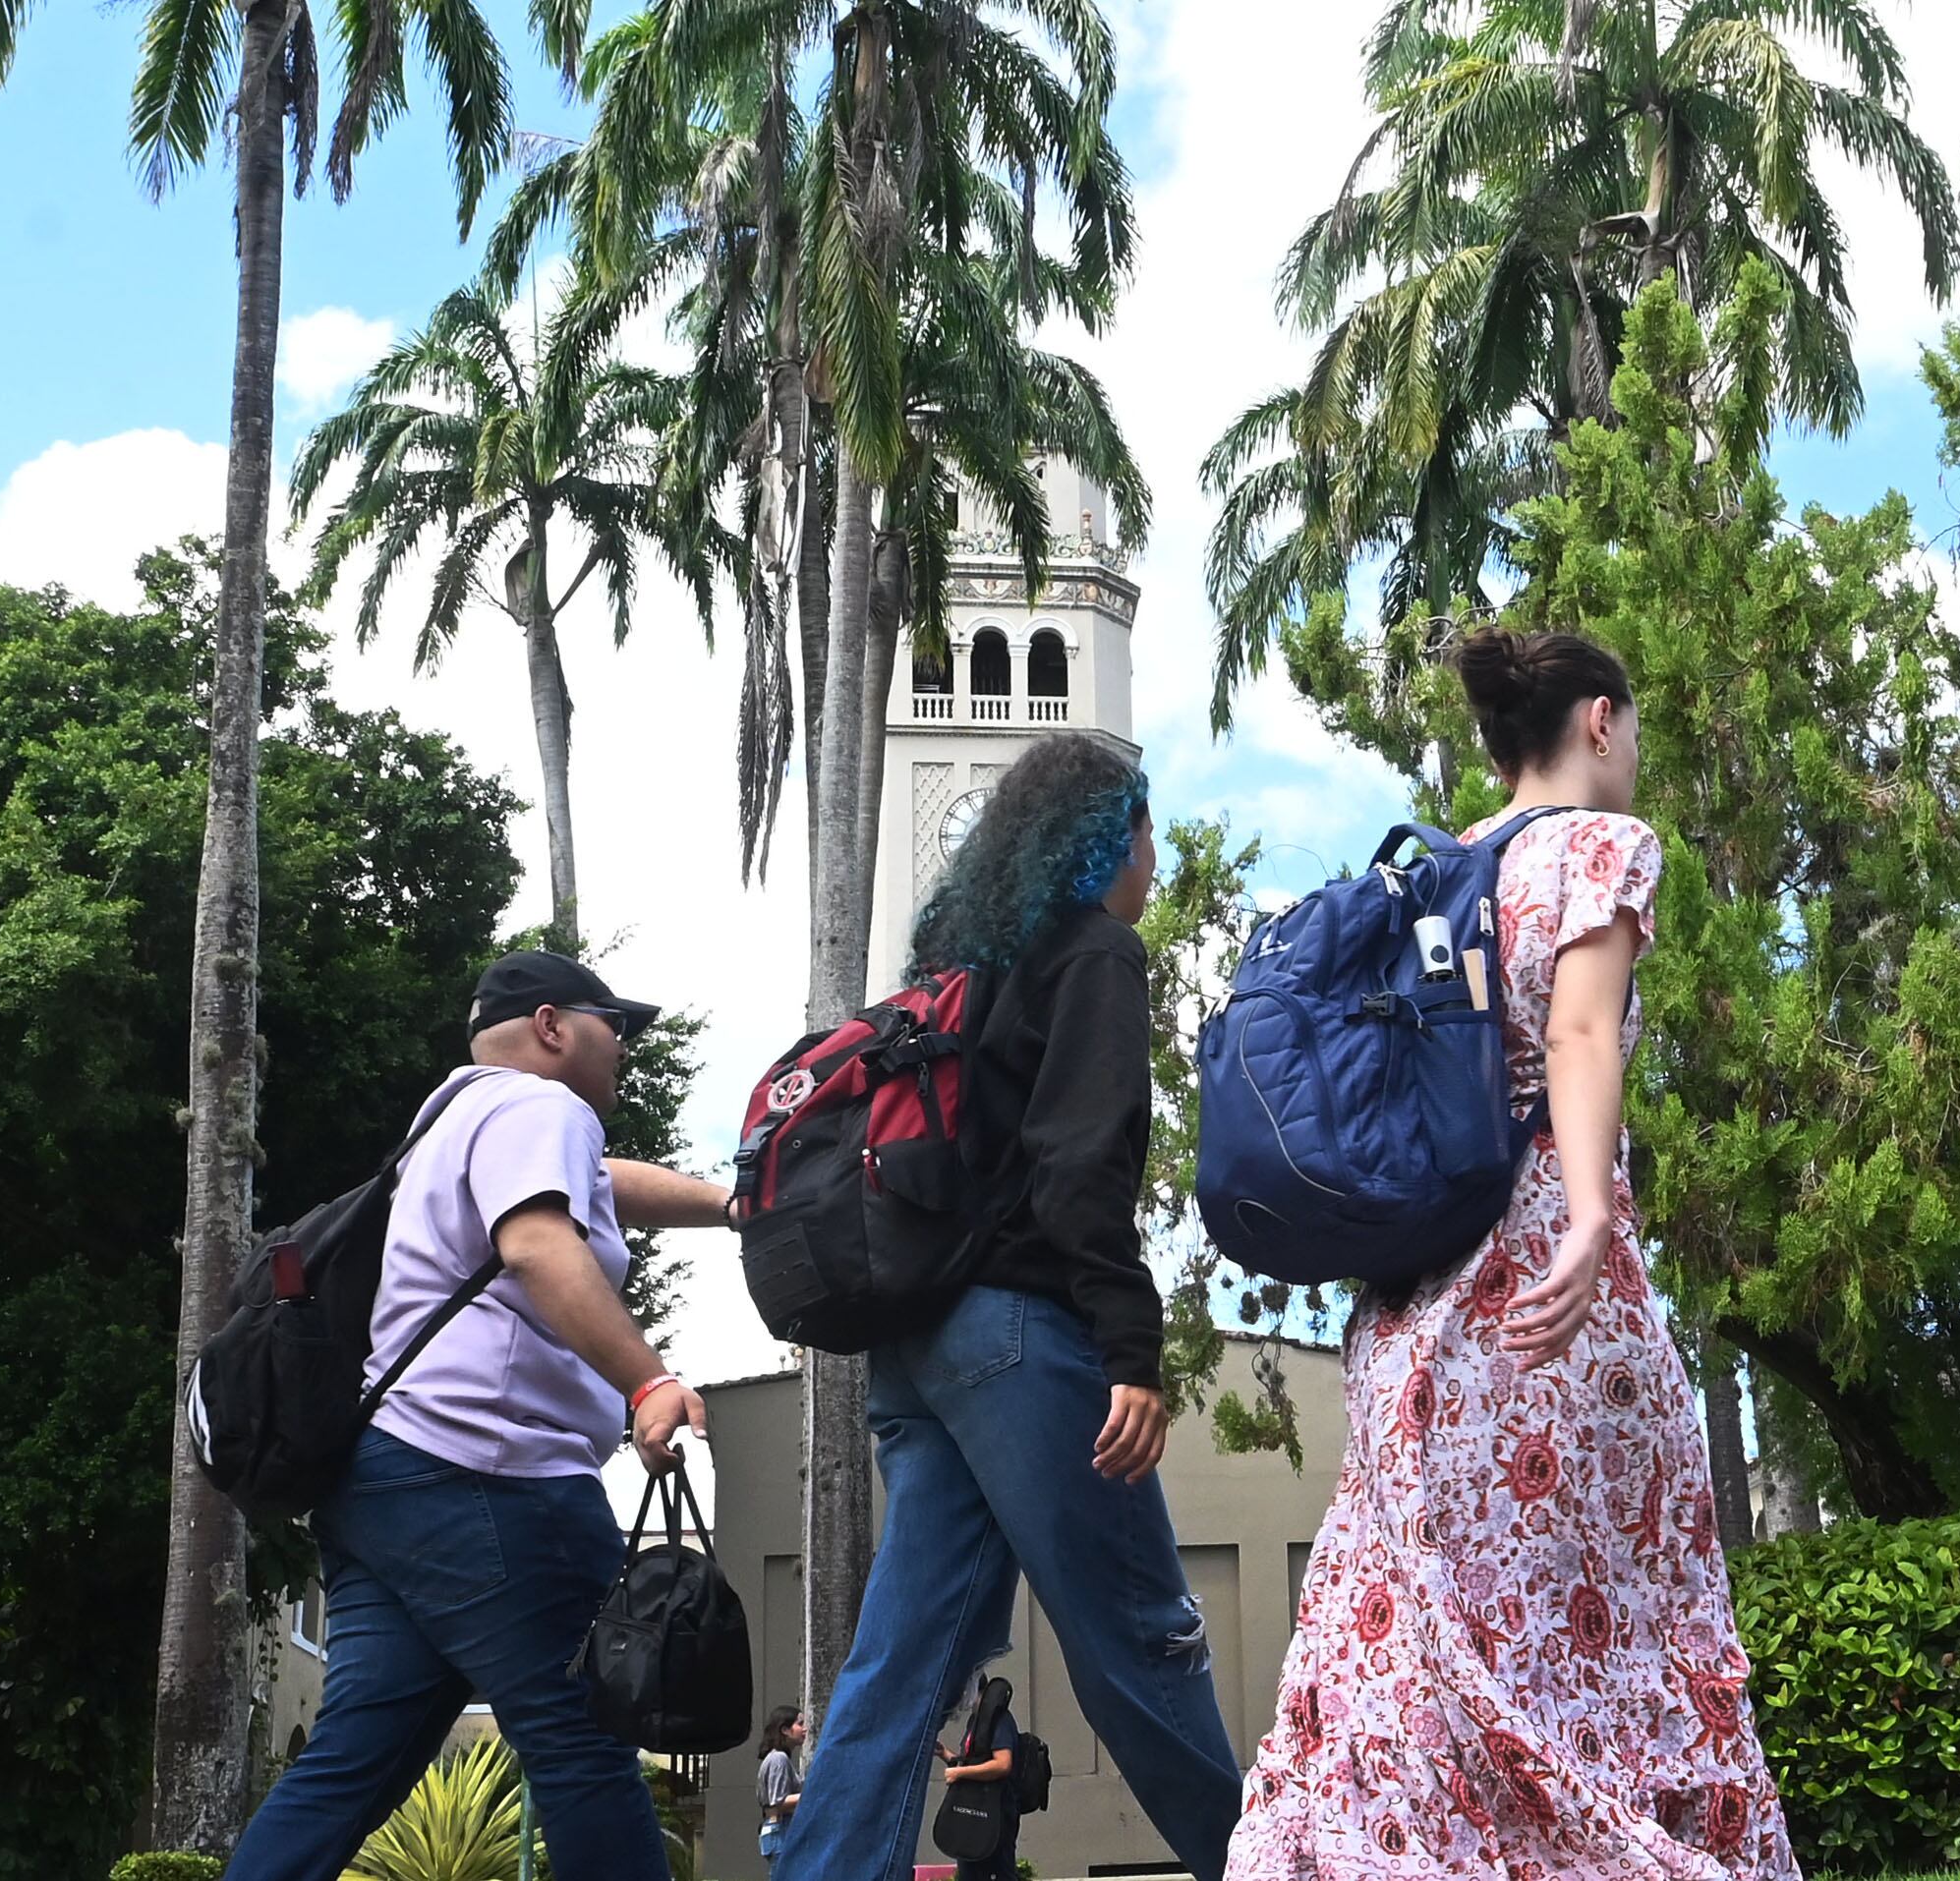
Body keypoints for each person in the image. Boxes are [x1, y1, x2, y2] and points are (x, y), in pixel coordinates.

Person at [1225, 630, 1801, 1878]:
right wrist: (1589, 1214)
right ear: (1598, 720)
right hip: (1539, 1271)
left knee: (1418, 1615)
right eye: (1631, 726)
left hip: (1410, 1301)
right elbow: (1580, 1035)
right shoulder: (1600, 847)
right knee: (1602, 1600)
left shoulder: (1444, 867)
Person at [771, 733, 1243, 1881]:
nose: (1150, 860)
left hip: (915, 1346)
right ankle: (1271, 1864)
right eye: (1143, 833)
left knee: (899, 1665)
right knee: (1144, 1637)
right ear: (1107, 841)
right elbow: (1081, 1165)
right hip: (1021, 1341)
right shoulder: (1093, 954)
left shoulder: (958, 976)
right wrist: (1129, 1350)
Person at [225, 951, 736, 1881]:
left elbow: (602, 1182)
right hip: (488, 1476)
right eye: (612, 1024)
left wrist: (732, 1204)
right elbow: (537, 1243)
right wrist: (647, 1383)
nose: (623, 1044)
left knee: (349, 1767)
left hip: (383, 1478)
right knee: (587, 1739)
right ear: (551, 1026)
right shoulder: (542, 1107)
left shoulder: (454, 1121)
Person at [936, 1673, 1020, 1881]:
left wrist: (960, 1773)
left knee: (1001, 1872)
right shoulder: (976, 1720)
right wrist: (946, 1755)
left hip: (996, 1813)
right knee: (970, 1871)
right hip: (972, 1814)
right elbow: (974, 1762)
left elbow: (1002, 1764)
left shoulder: (999, 1720)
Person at [757, 1706, 806, 1871]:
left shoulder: (777, 1758)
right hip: (780, 1829)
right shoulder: (779, 1758)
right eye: (800, 1723)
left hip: (777, 1830)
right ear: (785, 1730)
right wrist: (811, 1794)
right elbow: (778, 1801)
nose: (805, 1729)